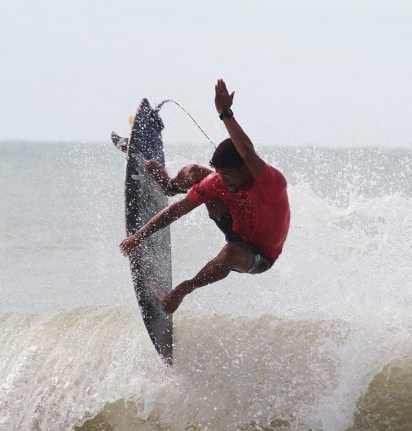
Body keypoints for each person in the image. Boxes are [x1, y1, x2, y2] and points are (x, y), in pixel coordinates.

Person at [120, 79, 290, 313]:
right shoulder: (220, 182)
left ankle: (185, 289)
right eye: (220, 174)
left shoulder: (269, 183)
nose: (223, 179)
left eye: (228, 173)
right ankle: (170, 186)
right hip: (235, 226)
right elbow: (177, 210)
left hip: (259, 254)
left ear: (245, 168)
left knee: (231, 252)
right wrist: (138, 236)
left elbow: (247, 151)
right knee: (196, 173)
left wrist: (225, 113)